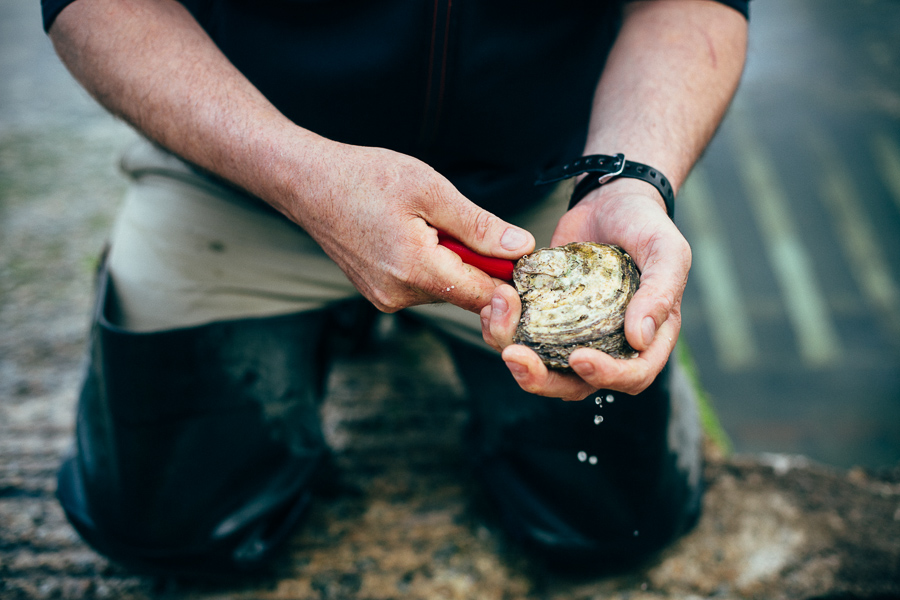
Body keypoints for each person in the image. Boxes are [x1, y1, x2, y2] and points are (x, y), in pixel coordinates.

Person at [43, 0, 749, 576]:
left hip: (542, 202)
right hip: (240, 178)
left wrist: (631, 177)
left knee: (611, 523)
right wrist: (298, 174)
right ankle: (330, 322)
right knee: (173, 532)